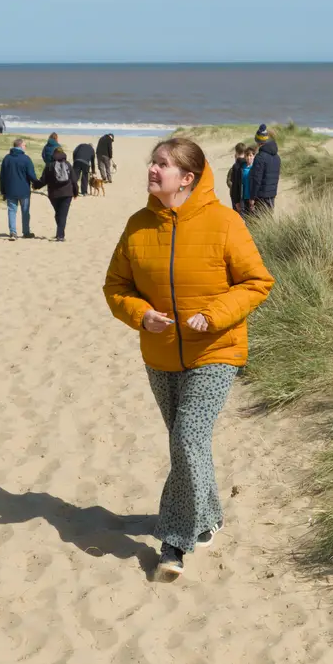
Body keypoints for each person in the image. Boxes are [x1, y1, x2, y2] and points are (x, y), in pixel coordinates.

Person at [102, 138, 275, 581]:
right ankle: (210, 515)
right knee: (188, 444)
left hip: (216, 350)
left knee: (185, 439)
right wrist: (142, 316)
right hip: (160, 354)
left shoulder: (225, 223)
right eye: (152, 163)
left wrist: (213, 315)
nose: (153, 170)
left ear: (188, 177)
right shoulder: (138, 225)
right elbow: (116, 288)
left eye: (163, 164)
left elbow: (257, 282)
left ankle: (174, 541)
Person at [0, 137, 39, 242]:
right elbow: (31, 175)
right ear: (20, 146)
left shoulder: (7, 159)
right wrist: (37, 183)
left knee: (12, 211)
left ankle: (13, 232)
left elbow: (2, 177)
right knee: (25, 211)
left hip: (10, 190)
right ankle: (26, 232)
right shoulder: (26, 159)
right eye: (25, 145)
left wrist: (3, 190)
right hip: (24, 190)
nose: (25, 147)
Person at [34, 145, 75, 241]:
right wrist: (75, 192)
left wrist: (36, 186)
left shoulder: (49, 165)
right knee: (62, 214)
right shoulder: (68, 164)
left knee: (58, 213)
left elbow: (43, 180)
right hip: (67, 193)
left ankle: (59, 234)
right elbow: (74, 180)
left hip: (53, 194)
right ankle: (60, 235)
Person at [248, 125, 281, 215]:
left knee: (258, 222)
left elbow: (256, 180)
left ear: (259, 142)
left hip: (261, 196)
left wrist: (252, 198)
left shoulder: (260, 157)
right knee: (268, 220)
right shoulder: (277, 157)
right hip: (272, 194)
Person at [225, 143, 248, 211]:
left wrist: (232, 186)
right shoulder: (249, 165)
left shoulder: (235, 167)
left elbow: (229, 181)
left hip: (236, 196)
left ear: (236, 152)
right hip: (247, 195)